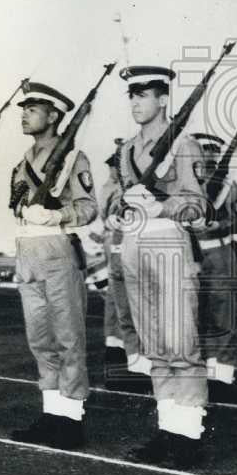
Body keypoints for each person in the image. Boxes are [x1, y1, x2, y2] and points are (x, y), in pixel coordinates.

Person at [110, 65, 208, 468]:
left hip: (168, 241)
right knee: (155, 346)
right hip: (135, 245)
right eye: (131, 95)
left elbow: (200, 207)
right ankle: (169, 430)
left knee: (181, 344)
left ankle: (189, 436)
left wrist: (162, 204)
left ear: (164, 98)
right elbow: (118, 197)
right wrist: (119, 213)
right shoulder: (127, 148)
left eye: (144, 94)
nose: (135, 102)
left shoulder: (183, 145)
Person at [9, 82, 97, 449]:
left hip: (57, 248)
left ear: (54, 115)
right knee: (39, 337)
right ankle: (52, 412)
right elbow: (15, 204)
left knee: (67, 336)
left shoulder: (73, 158)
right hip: (26, 249)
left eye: (33, 108)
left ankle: (72, 419)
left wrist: (57, 214)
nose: (25, 115)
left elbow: (89, 207)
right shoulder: (21, 162)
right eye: (24, 108)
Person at [191, 132, 237, 400]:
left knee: (223, 313)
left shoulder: (227, 186)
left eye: (213, 150)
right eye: (204, 149)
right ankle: (204, 368)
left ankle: (223, 373)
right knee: (198, 313)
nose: (208, 155)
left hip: (219, 252)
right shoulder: (188, 183)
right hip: (194, 255)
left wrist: (217, 224)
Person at [99, 141, 147, 393]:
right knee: (129, 310)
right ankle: (133, 365)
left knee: (119, 309)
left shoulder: (112, 188)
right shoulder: (118, 189)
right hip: (122, 247)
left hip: (117, 247)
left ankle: (124, 362)